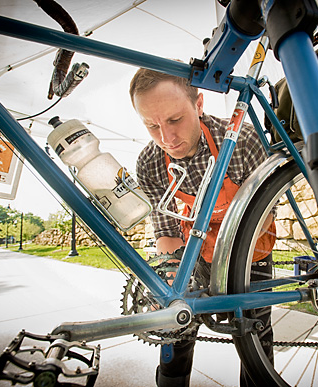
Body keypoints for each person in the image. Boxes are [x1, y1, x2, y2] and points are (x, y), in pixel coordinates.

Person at [131, 68, 276, 387]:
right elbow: (168, 233)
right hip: (195, 255)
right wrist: (169, 283)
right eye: (152, 126)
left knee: (253, 333)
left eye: (174, 120)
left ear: (198, 103)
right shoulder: (150, 164)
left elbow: (264, 214)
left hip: (250, 251)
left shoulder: (244, 141)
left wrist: (228, 268)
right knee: (175, 324)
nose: (166, 138)